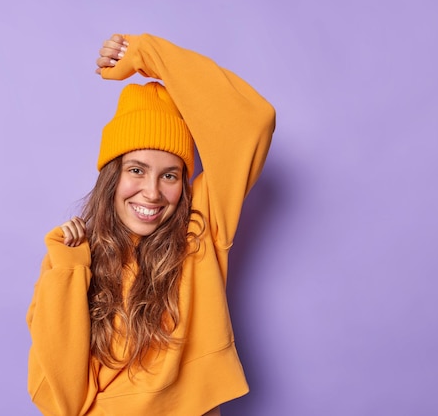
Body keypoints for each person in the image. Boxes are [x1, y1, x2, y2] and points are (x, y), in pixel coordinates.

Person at [26, 32, 275, 416]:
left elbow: (254, 122)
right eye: (137, 170)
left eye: (171, 175)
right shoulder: (74, 258)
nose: (152, 193)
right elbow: (62, 400)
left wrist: (146, 54)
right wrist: (69, 272)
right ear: (113, 176)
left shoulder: (200, 232)